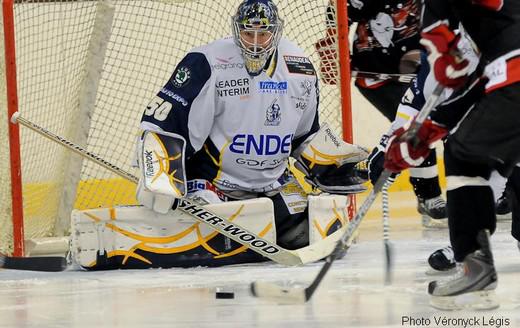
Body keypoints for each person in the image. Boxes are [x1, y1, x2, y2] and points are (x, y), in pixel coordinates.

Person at [134, 0, 368, 267]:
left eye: (263, 34)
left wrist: (329, 164)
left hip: (274, 184)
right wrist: (159, 173)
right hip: (214, 184)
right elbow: (164, 120)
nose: (255, 42)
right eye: (248, 33)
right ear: (237, 30)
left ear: (276, 32)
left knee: (308, 234)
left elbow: (304, 134)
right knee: (208, 242)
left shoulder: (300, 68)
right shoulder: (207, 62)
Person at [384, 0, 520, 310]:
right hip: (507, 78)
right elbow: (474, 88)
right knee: (466, 149)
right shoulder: (487, 40)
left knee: (464, 156)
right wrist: (426, 132)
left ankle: (475, 268)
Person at [315, 0, 448, 227]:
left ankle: (473, 190)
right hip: (377, 78)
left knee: (434, 127)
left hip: (422, 72)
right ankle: (428, 196)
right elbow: (339, 14)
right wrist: (333, 47)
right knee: (416, 125)